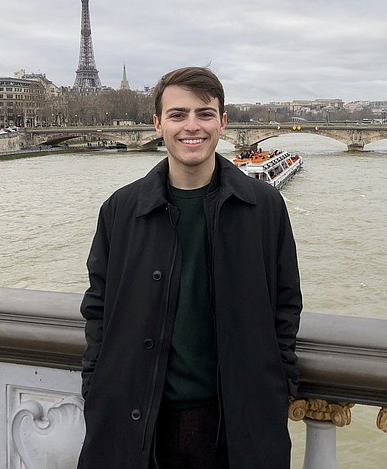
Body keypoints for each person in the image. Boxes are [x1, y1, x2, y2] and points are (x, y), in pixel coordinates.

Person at [78, 67, 302, 469]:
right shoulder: (120, 209)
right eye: (178, 114)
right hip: (137, 414)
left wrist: (277, 384)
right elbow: (98, 307)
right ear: (158, 124)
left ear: (223, 123)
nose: (192, 126)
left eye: (205, 113)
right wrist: (95, 385)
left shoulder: (266, 207)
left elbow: (287, 304)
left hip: (234, 419)